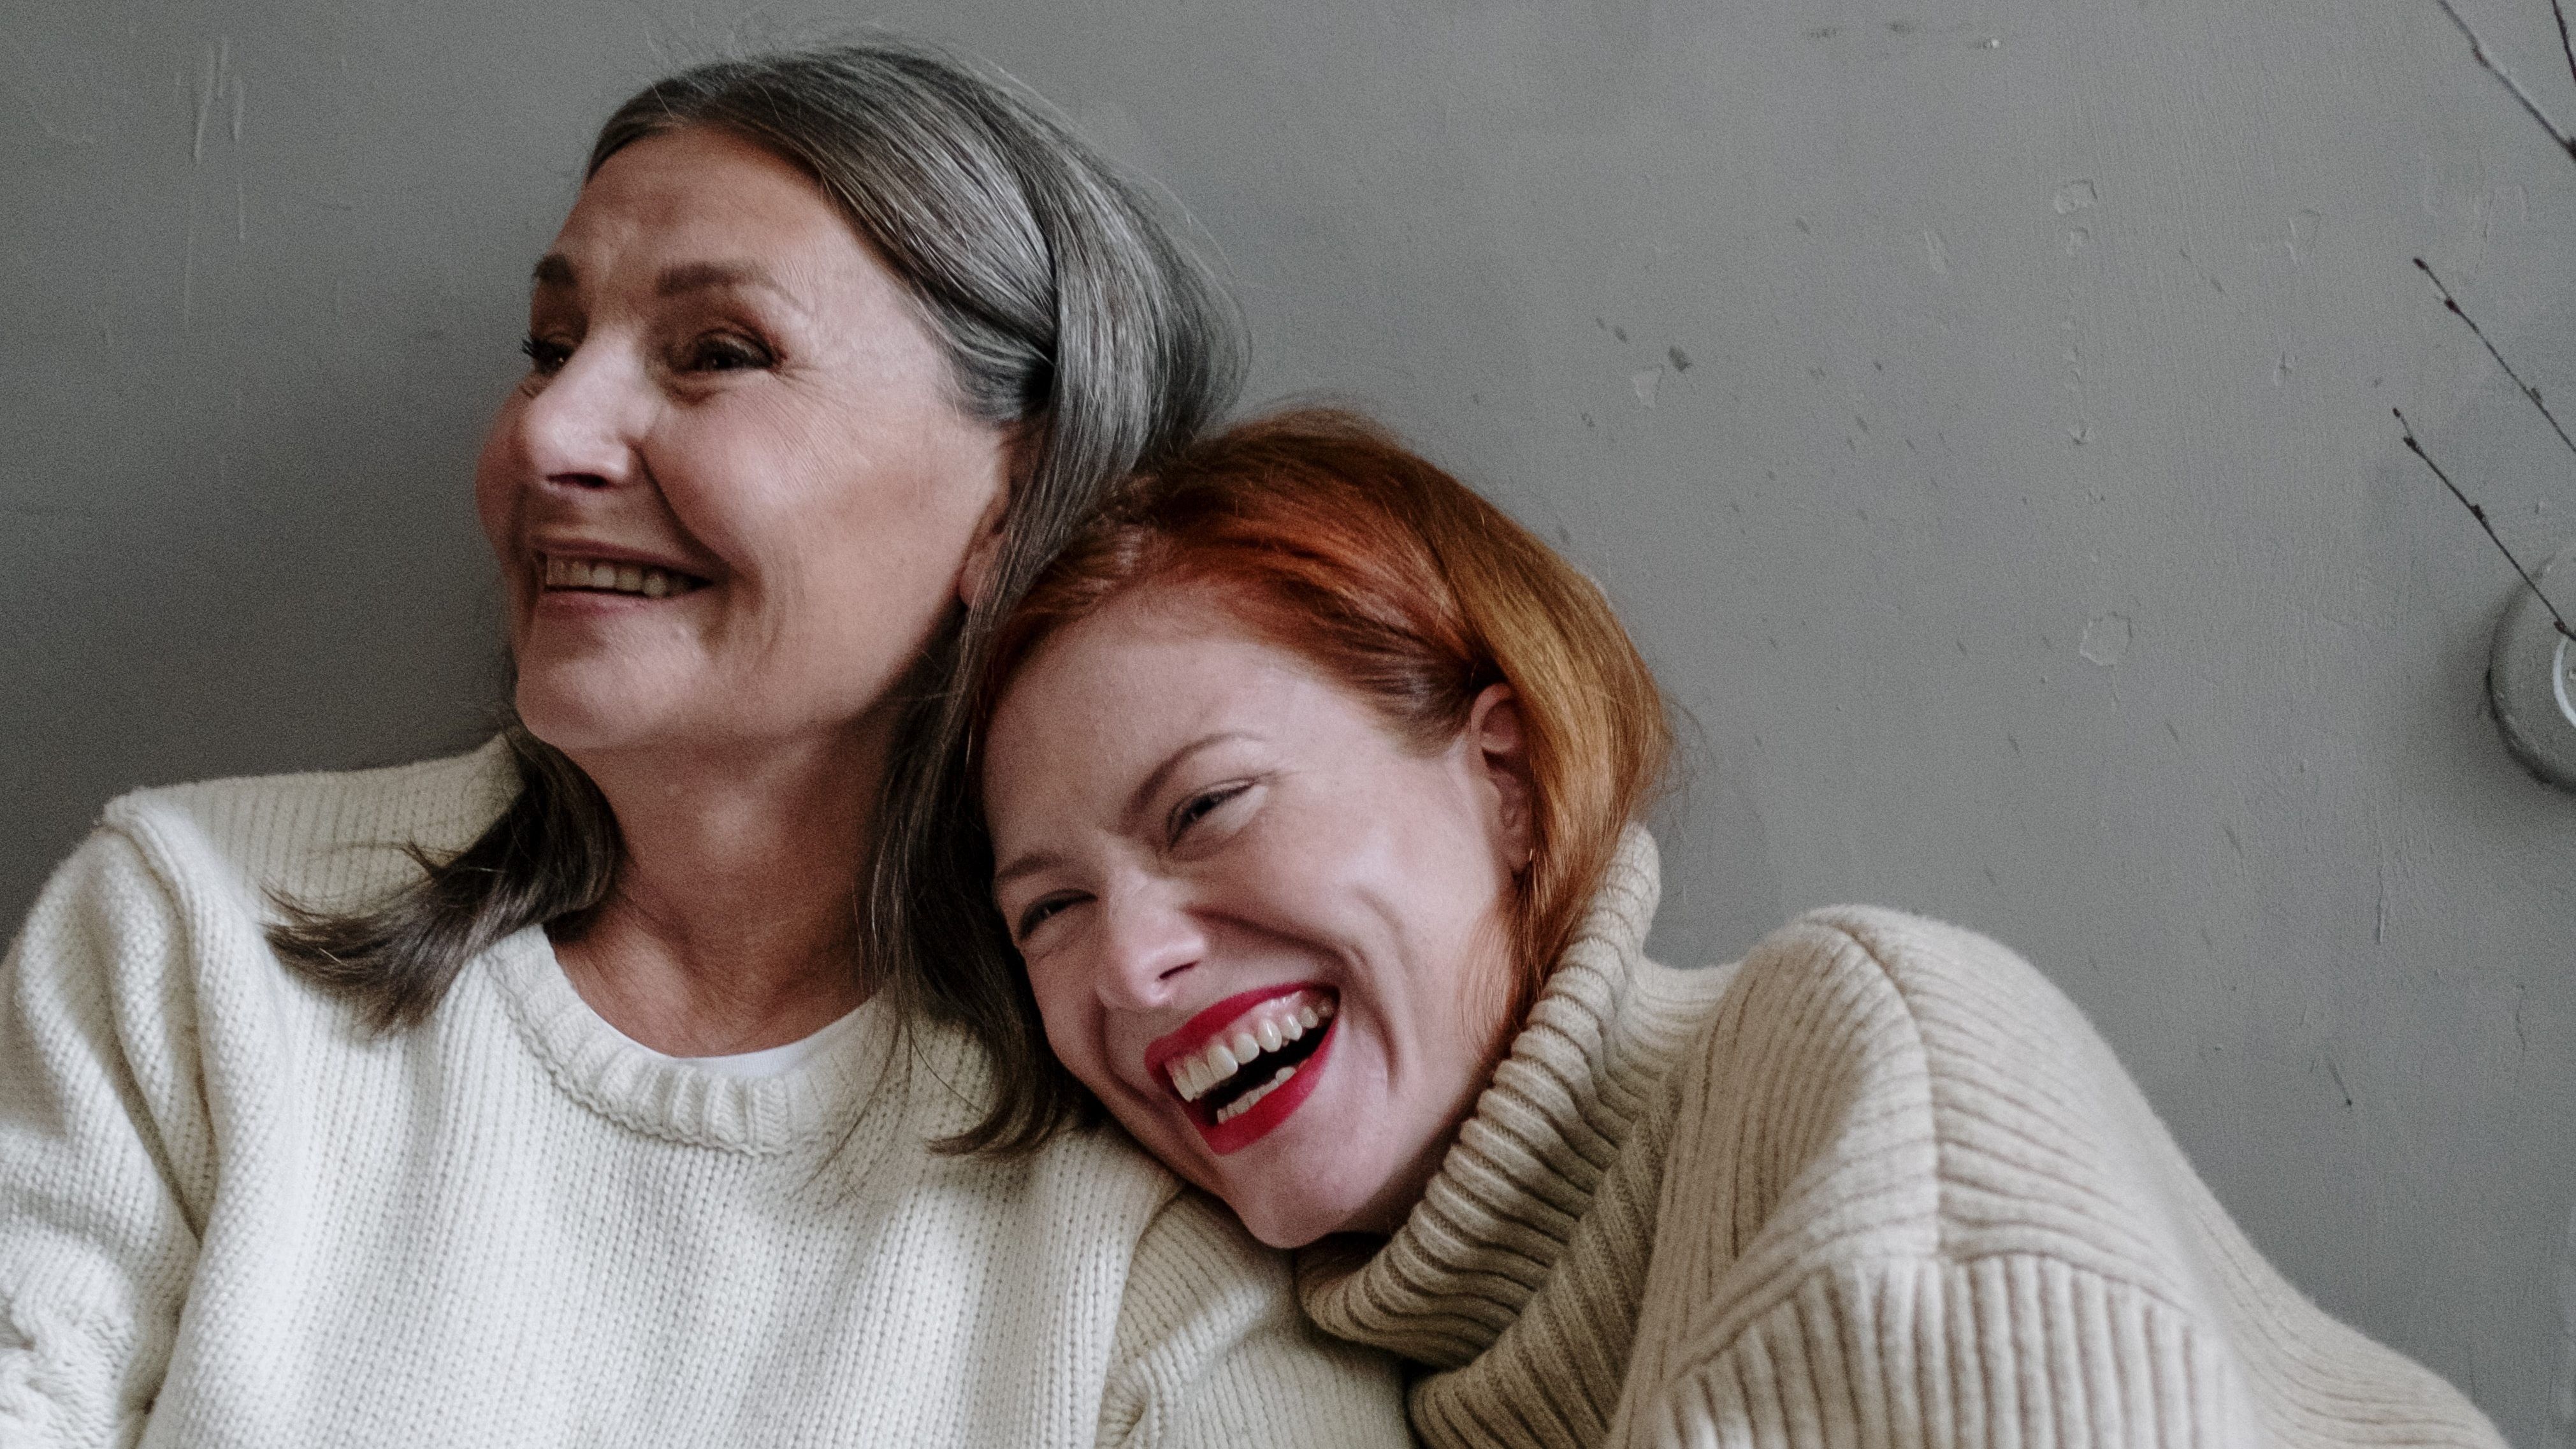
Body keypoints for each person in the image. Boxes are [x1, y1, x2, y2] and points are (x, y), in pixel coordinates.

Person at [0, 47, 1408, 1447]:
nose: (551, 431)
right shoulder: (189, 933)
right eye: (551, 349)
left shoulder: (1164, 1123)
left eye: (719, 354)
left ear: (1013, 492)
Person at [968, 409, 2507, 1447]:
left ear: (1504, 783)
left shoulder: (1853, 1066)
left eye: (1207, 808)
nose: (1129, 961)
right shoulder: (1324, 1367)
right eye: (1047, 910)